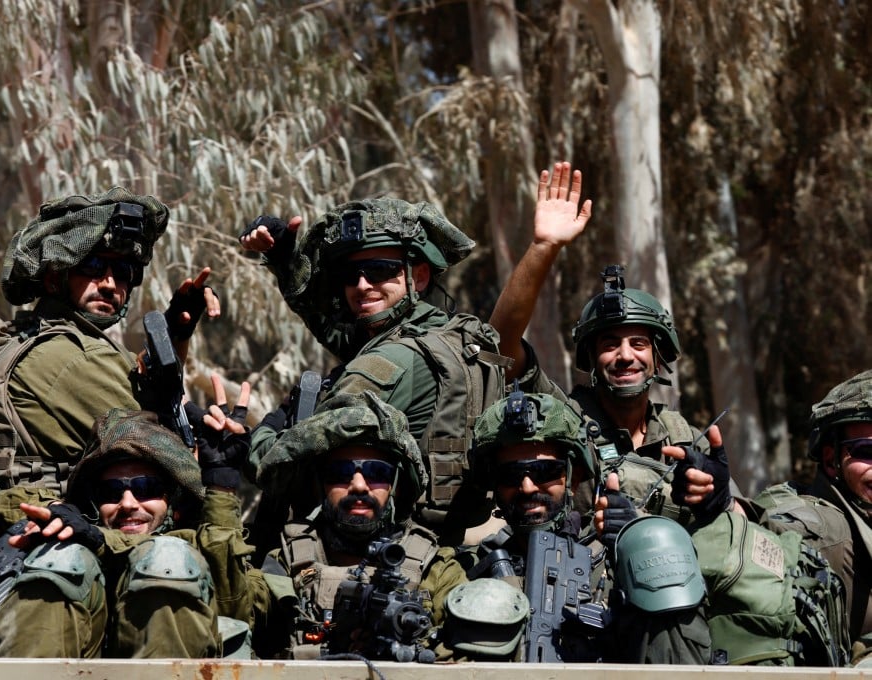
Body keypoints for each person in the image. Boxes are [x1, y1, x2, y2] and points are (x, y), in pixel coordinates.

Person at [241, 196, 519, 543]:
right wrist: (286, 262)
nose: (361, 285)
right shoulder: (448, 337)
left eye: (380, 271)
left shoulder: (389, 362)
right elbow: (338, 329)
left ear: (417, 276)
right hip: (434, 547)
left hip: (378, 552)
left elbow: (280, 464)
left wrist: (255, 436)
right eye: (349, 275)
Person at [489, 162, 736, 529]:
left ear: (657, 357)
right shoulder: (560, 418)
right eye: (610, 344)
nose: (625, 356)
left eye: (639, 343)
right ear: (590, 357)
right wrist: (543, 248)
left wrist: (717, 498)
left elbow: (738, 519)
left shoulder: (678, 433)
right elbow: (500, 348)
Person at [0, 186, 219, 490]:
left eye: (124, 270)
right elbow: (171, 457)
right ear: (53, 277)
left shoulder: (53, 340)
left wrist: (175, 335)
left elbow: (153, 396)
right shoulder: (69, 357)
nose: (110, 283)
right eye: (93, 266)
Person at [428, 389, 712, 664]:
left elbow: (679, 661)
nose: (527, 487)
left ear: (573, 480)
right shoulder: (468, 572)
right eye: (510, 475)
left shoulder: (613, 562)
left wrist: (636, 551)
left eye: (545, 472)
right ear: (495, 487)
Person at [0, 387, 259, 659]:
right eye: (110, 492)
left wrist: (221, 488)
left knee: (168, 558)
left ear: (171, 500)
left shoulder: (194, 548)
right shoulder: (74, 531)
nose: (127, 503)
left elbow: (233, 612)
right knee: (61, 558)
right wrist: (55, 508)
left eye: (146, 487)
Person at [250, 391, 444, 662]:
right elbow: (235, 612)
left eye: (377, 473)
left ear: (395, 487)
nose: (359, 485)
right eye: (340, 473)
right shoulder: (285, 560)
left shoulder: (435, 567)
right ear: (319, 484)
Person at [752, 370, 872, 664]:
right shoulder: (825, 524)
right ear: (832, 461)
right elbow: (779, 527)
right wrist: (725, 508)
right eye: (867, 451)